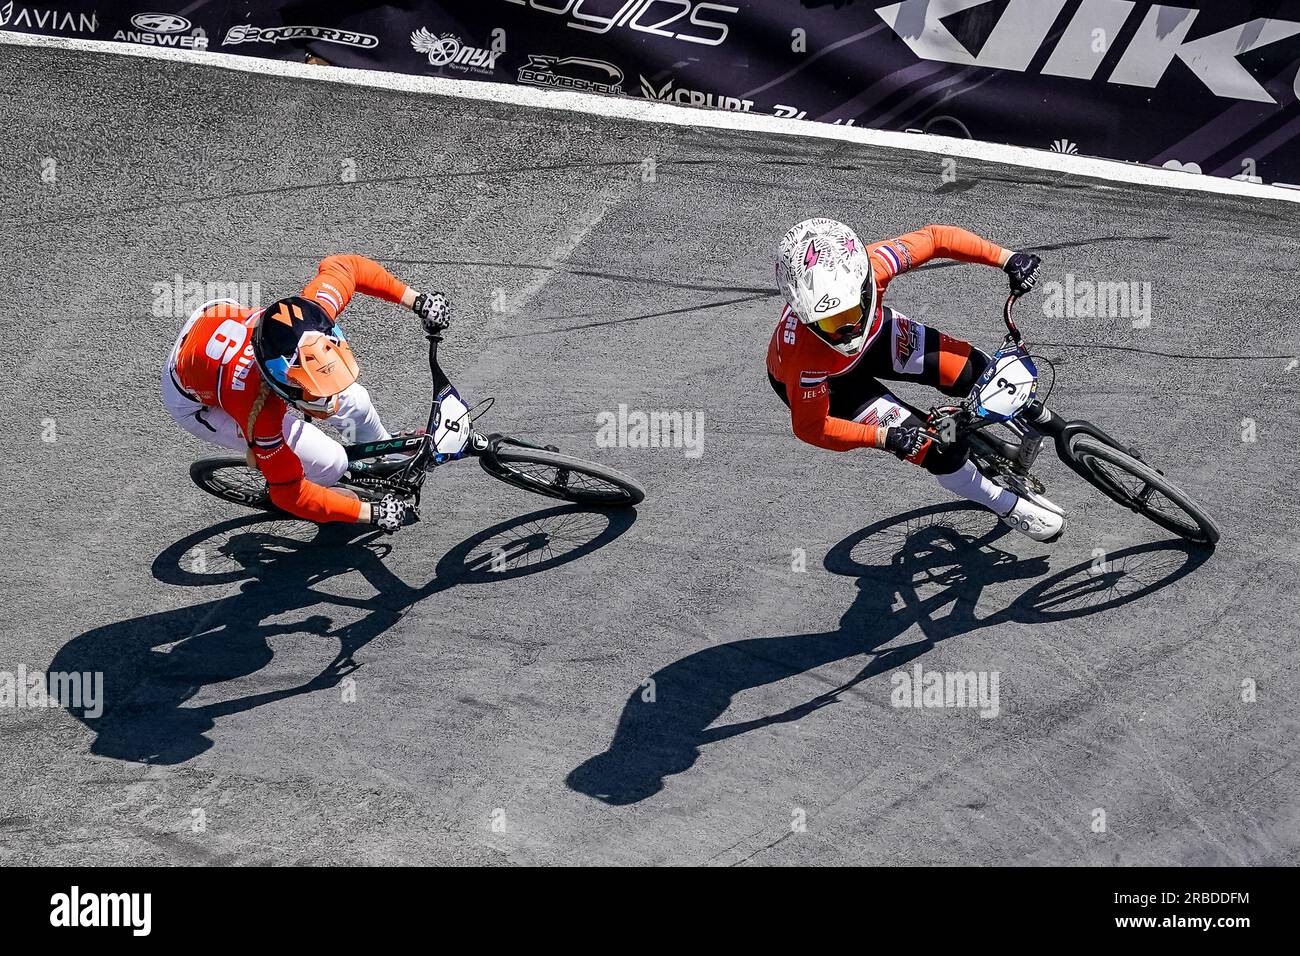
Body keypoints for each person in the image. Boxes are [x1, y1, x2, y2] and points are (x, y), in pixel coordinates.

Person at [766, 218, 1062, 541]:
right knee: (937, 448)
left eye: (850, 314)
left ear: (865, 285)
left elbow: (937, 239)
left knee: (975, 371)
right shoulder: (800, 354)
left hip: (878, 337)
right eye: (830, 323)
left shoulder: (874, 264)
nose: (846, 332)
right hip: (837, 387)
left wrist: (1006, 258)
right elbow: (811, 427)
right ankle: (1003, 505)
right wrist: (884, 437)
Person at [162, 254, 450, 531]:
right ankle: (332, 485)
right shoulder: (258, 413)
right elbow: (288, 495)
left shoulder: (312, 315)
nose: (326, 403)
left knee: (356, 402)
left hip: (218, 326)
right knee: (329, 461)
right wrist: (370, 513)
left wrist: (417, 301)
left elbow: (346, 266)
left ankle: (383, 458)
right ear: (280, 386)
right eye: (311, 394)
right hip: (198, 402)